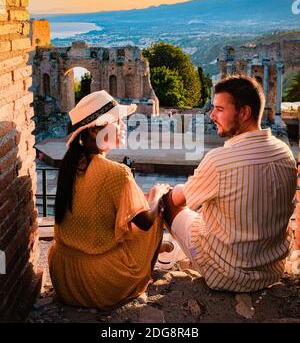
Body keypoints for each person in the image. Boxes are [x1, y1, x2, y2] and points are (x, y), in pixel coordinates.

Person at [163, 75, 297, 292]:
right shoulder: (285, 153)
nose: (211, 115)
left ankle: (159, 262)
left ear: (244, 113)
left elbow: (178, 200)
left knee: (166, 202)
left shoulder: (220, 161)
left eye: (219, 109)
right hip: (271, 271)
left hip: (225, 274)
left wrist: (169, 192)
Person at [48, 90, 170, 309]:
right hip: (98, 283)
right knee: (157, 214)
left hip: (64, 276)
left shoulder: (70, 164)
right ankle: (147, 257)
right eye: (118, 120)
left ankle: (151, 248)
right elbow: (145, 222)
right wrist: (156, 195)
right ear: (95, 130)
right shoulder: (117, 172)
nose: (123, 126)